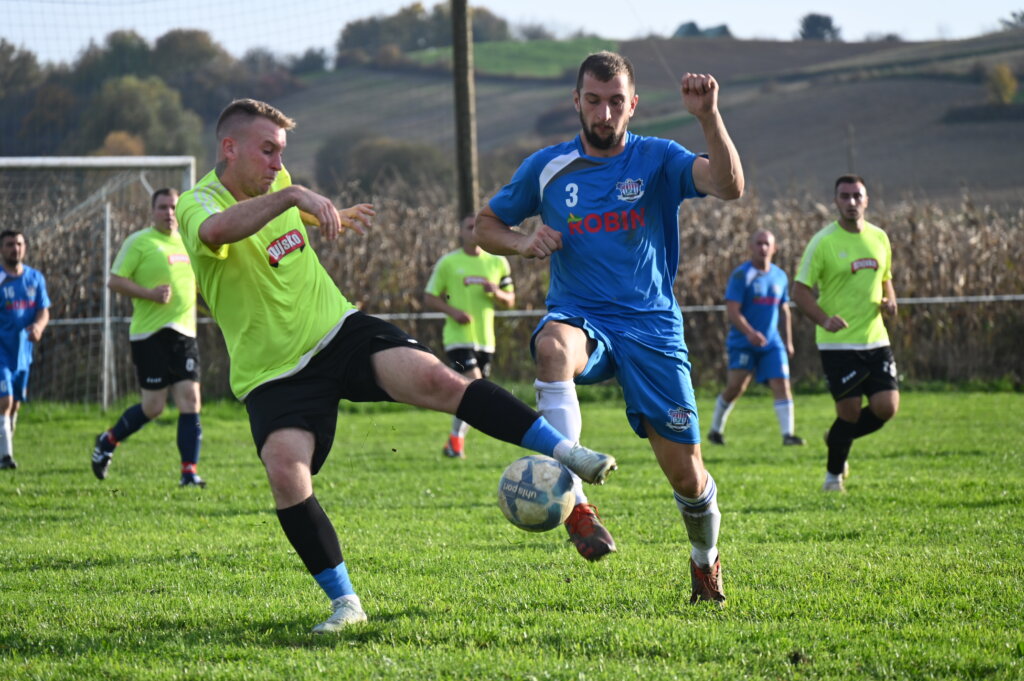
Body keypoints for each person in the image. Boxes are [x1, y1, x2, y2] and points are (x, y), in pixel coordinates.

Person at [174, 98, 617, 633]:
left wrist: (322, 213)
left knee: (439, 378)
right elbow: (218, 233)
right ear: (229, 148)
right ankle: (346, 604)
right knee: (286, 474)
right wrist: (295, 195)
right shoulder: (197, 203)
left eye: (281, 154)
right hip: (273, 373)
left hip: (339, 331)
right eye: (267, 151)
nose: (276, 163)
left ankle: (569, 454)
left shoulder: (277, 183)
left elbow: (283, 223)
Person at [475, 51, 744, 603]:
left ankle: (704, 562)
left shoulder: (659, 159)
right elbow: (483, 225)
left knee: (687, 477)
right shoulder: (547, 168)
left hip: (651, 328)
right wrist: (522, 241)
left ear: (633, 105)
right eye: (593, 101)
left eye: (616, 102)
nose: (604, 113)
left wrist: (708, 116)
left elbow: (728, 185)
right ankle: (576, 504)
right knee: (551, 348)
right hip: (581, 316)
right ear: (576, 102)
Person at [90, 188, 205, 487]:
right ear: (152, 211)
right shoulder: (140, 242)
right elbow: (114, 281)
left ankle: (189, 472)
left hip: (184, 334)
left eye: (173, 207)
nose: (168, 213)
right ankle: (109, 439)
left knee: (191, 400)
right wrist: (149, 294)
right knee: (153, 407)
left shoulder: (189, 243)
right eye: (162, 207)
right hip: (149, 335)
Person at [792, 174, 899, 492]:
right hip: (838, 344)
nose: (851, 202)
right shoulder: (823, 242)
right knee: (849, 412)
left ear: (867, 199)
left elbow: (886, 277)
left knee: (887, 408)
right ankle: (833, 478)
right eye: (845, 196)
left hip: (876, 338)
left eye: (857, 196)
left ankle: (836, 436)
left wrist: (890, 300)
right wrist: (824, 320)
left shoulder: (880, 237)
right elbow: (800, 291)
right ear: (836, 201)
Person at [424, 215, 515, 459]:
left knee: (474, 395)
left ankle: (454, 441)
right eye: (468, 226)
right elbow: (430, 296)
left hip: (487, 339)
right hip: (458, 338)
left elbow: (510, 300)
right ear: (461, 232)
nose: (474, 231)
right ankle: (456, 443)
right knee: (475, 387)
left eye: (478, 226)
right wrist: (453, 312)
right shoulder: (449, 263)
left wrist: (496, 292)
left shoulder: (498, 262)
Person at [707, 230, 806, 447]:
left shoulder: (780, 276)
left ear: (774, 248)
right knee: (736, 388)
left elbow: (784, 310)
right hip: (743, 342)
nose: (762, 248)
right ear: (751, 247)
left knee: (782, 383)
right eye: (758, 243)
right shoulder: (742, 275)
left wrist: (788, 341)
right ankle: (715, 430)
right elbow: (733, 310)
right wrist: (750, 333)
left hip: (772, 343)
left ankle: (788, 435)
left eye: (766, 244)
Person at [0, 230, 50, 470]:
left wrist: (39, 327)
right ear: (2, 249)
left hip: (23, 353)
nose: (15, 249)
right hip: (1, 351)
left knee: (15, 403)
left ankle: (5, 445)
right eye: (10, 244)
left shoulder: (35, 278)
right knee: (5, 400)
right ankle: (5, 457)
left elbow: (43, 309)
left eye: (19, 244)